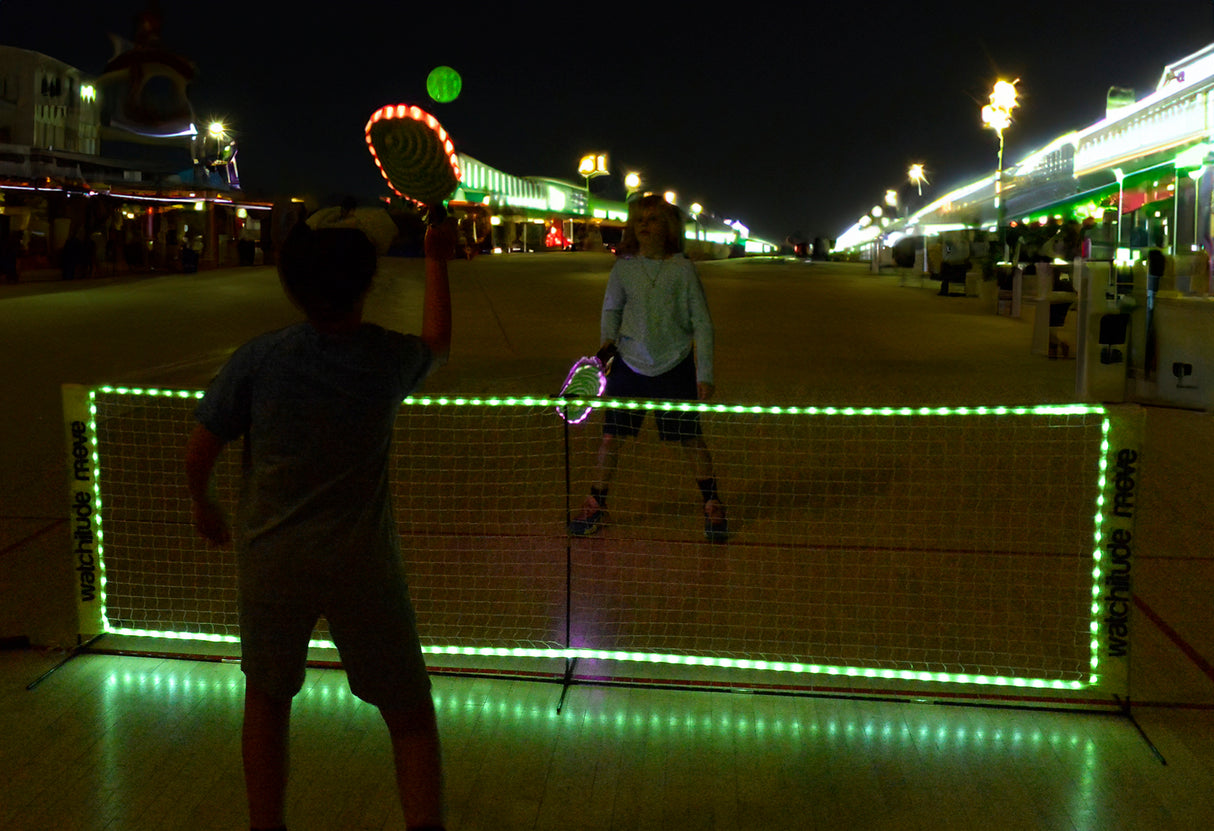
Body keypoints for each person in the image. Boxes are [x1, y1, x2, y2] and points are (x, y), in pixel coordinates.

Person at [185, 214, 456, 831]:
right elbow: (437, 344)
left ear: (293, 287)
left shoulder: (261, 358)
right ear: (366, 285)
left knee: (268, 698)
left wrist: (203, 502)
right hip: (362, 566)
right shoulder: (386, 359)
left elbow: (202, 446)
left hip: (272, 561)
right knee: (409, 712)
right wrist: (438, 260)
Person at [567, 193, 727, 542]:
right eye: (639, 218)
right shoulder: (624, 267)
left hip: (675, 363)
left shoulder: (682, 269)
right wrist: (607, 346)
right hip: (629, 363)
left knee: (690, 439)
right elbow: (611, 309)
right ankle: (596, 502)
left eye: (652, 219)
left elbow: (702, 323)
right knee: (611, 438)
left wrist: (705, 373)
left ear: (667, 227)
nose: (644, 224)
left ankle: (712, 504)